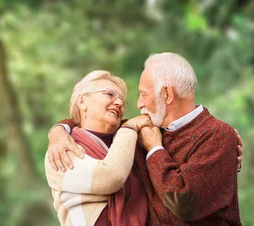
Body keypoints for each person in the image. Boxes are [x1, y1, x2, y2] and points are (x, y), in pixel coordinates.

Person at [48, 52, 242, 225]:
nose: (138, 104)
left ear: (166, 94)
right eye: (109, 94)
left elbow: (184, 203)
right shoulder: (142, 132)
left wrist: (155, 150)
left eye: (143, 94)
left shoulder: (217, 135)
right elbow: (91, 123)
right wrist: (58, 132)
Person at [45, 70, 153, 226]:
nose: (119, 103)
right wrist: (130, 127)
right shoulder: (60, 151)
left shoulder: (132, 143)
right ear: (82, 102)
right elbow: (110, 176)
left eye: (122, 100)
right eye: (109, 94)